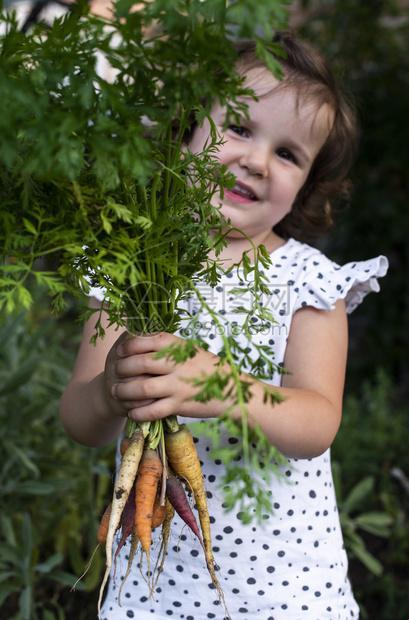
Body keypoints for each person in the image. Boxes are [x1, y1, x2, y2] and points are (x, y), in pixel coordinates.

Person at [60, 31, 388, 620]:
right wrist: (114, 383)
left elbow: (316, 421)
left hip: (287, 592)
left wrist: (221, 386)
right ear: (188, 127)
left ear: (307, 185)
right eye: (237, 125)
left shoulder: (309, 280)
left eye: (288, 155)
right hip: (153, 590)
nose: (257, 161)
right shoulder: (132, 267)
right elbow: (81, 422)